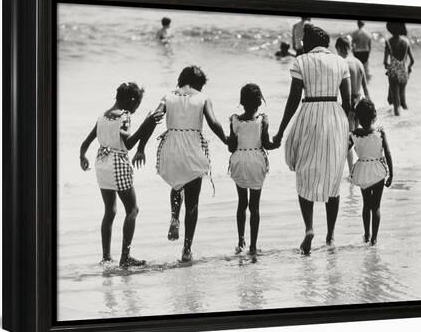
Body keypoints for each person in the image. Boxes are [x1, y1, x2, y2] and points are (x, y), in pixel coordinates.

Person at [134, 66, 229, 262]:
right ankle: (186, 250)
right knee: (193, 202)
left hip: (171, 148)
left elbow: (153, 120)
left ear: (181, 79)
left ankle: (174, 217)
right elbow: (213, 122)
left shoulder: (167, 96)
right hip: (192, 148)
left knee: (177, 183)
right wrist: (227, 141)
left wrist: (141, 147)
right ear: (199, 84)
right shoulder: (203, 98)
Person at [273, 25, 352, 255]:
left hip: (309, 113)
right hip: (335, 117)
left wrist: (280, 132)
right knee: (333, 177)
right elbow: (347, 103)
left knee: (304, 171)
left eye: (304, 40)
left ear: (309, 42)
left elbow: (293, 99)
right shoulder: (341, 62)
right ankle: (330, 236)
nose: (301, 43)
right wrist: (347, 131)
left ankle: (309, 228)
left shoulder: (301, 61)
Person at [79, 82, 164, 267]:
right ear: (132, 100)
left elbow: (86, 142)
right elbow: (129, 144)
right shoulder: (124, 116)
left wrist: (82, 156)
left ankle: (106, 257)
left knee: (109, 211)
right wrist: (146, 123)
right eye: (137, 104)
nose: (136, 109)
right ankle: (125, 258)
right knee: (132, 209)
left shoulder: (102, 116)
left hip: (101, 162)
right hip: (117, 163)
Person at [228, 84, 278, 256]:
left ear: (242, 102)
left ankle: (241, 241)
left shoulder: (234, 120)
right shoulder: (262, 120)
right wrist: (277, 142)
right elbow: (266, 144)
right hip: (256, 161)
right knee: (254, 207)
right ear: (259, 102)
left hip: (240, 161)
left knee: (242, 203)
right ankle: (253, 247)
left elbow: (231, 147)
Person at [348, 99, 393, 245]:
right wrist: (391, 173)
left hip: (363, 172)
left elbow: (342, 151)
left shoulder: (354, 135)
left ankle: (366, 234)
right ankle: (374, 239)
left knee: (366, 205)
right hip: (378, 172)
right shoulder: (380, 133)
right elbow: (387, 153)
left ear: (359, 119)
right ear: (374, 116)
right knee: (376, 206)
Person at [335, 36, 371, 173]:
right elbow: (366, 90)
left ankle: (351, 172)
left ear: (340, 48)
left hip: (349, 105)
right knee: (358, 138)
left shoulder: (343, 63)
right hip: (360, 102)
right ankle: (363, 165)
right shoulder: (359, 62)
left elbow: (340, 89)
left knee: (347, 139)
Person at [384, 22, 414, 116]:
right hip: (404, 73)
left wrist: (389, 68)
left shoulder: (389, 42)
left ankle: (397, 128)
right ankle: (410, 119)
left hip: (393, 74)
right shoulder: (406, 42)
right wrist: (408, 68)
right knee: (403, 101)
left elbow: (385, 62)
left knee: (396, 104)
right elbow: (412, 61)